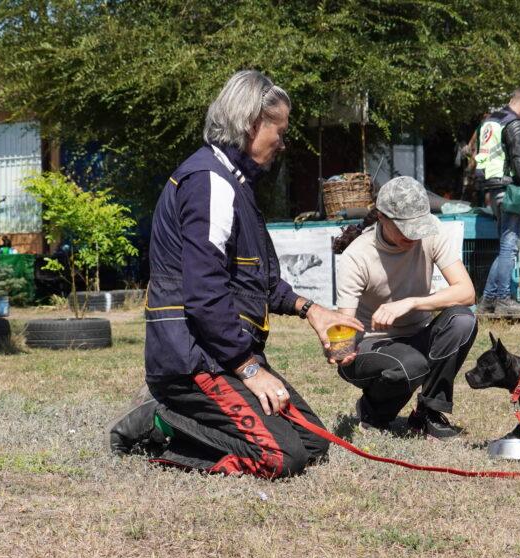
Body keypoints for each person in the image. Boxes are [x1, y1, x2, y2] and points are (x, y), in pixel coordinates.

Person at [141, 70, 362, 479]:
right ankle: (159, 422)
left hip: (224, 355)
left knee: (315, 443)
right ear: (252, 123)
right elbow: (204, 293)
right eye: (279, 130)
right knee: (281, 458)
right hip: (195, 362)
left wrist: (312, 310)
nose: (282, 142)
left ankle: (197, 420)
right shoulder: (208, 182)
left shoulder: (234, 182)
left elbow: (257, 280)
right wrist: (249, 369)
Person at [334, 176, 478, 440]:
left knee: (462, 320)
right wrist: (341, 350)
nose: (413, 235)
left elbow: (466, 292)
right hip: (373, 344)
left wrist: (412, 302)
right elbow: (345, 324)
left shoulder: (432, 231)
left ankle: (428, 413)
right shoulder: (357, 256)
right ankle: (372, 411)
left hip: (417, 335)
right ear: (381, 217)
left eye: (418, 226)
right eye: (404, 228)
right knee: (411, 363)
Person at [475, 86, 520, 314]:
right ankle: (503, 299)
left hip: (493, 189)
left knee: (505, 247)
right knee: (510, 247)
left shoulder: (490, 121)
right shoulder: (514, 123)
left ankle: (488, 301)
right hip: (510, 188)